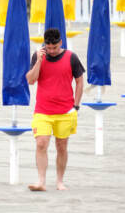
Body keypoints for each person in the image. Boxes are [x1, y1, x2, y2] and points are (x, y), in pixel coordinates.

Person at [25, 28, 84, 191]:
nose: (51, 51)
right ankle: (41, 181)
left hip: (66, 111)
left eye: (54, 48)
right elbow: (30, 80)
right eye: (48, 48)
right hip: (43, 110)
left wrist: (76, 106)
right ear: (45, 44)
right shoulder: (38, 56)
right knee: (41, 144)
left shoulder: (71, 57)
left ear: (60, 43)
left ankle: (59, 181)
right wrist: (38, 61)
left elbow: (79, 81)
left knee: (62, 146)